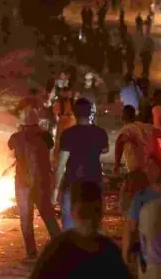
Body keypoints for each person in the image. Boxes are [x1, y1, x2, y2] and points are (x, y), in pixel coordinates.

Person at [31, 181, 130, 279]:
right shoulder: (56, 251)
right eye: (84, 212)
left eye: (93, 211)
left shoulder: (56, 249)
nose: (89, 220)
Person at [8, 108, 61, 260]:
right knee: (48, 215)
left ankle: (31, 253)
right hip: (41, 181)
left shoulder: (15, 137)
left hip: (23, 182)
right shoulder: (46, 136)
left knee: (26, 218)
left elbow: (10, 147)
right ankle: (61, 247)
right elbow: (49, 146)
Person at [53, 98, 109, 230]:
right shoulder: (100, 133)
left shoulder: (68, 134)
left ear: (74, 114)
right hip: (94, 183)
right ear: (91, 113)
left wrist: (55, 189)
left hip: (73, 184)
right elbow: (105, 149)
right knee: (93, 225)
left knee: (69, 225)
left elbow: (61, 164)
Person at [127, 155, 161, 269]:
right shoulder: (140, 196)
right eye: (148, 166)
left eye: (153, 167)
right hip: (149, 256)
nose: (149, 170)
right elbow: (132, 227)